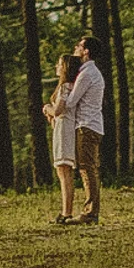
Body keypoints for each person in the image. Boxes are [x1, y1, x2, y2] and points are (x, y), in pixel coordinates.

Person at [63, 35, 106, 224]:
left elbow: (71, 101)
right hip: (90, 125)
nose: (76, 48)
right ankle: (90, 211)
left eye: (79, 46)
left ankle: (90, 213)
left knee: (87, 169)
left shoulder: (87, 74)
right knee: (87, 168)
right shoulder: (89, 72)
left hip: (86, 125)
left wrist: (54, 105)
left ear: (86, 51)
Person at [42, 54, 83, 223]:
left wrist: (47, 108)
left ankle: (66, 212)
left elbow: (58, 110)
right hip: (62, 127)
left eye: (59, 64)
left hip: (65, 128)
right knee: (63, 171)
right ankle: (66, 210)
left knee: (64, 170)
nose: (56, 67)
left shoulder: (65, 87)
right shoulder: (70, 87)